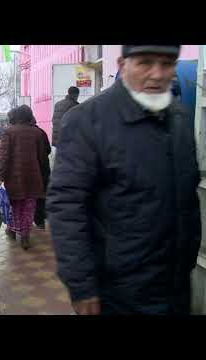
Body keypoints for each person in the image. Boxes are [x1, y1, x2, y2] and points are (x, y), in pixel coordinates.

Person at [46, 45, 201, 315]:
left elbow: (186, 200)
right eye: (145, 63)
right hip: (117, 292)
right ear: (122, 64)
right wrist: (82, 286)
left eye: (166, 64)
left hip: (176, 287)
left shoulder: (179, 119)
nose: (156, 74)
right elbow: (66, 207)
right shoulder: (87, 121)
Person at [0, 105, 48, 250]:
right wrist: (44, 175)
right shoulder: (37, 132)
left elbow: (3, 157)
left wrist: (1, 175)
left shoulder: (9, 132)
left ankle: (12, 230)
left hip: (14, 177)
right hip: (34, 177)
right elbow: (43, 157)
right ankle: (25, 235)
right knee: (29, 206)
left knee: (15, 206)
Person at [50, 86, 79, 168]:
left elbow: (54, 120)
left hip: (57, 138)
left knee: (60, 161)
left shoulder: (57, 104)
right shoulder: (75, 106)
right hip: (68, 139)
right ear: (76, 95)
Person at [30, 118, 51, 230]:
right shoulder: (41, 132)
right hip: (42, 168)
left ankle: (27, 221)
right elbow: (48, 149)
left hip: (29, 169)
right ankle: (40, 220)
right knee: (41, 194)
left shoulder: (22, 132)